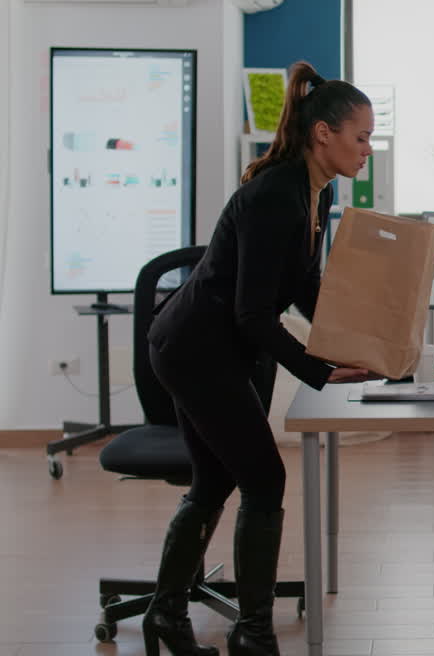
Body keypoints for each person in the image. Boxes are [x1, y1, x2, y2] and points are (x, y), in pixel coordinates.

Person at [142, 61, 374, 656]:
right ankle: (253, 633)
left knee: (217, 478)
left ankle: (166, 614)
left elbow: (303, 287)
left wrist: (358, 341)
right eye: (361, 137)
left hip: (213, 345)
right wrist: (319, 370)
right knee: (264, 478)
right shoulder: (275, 196)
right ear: (323, 133)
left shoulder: (314, 191)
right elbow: (253, 314)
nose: (367, 149)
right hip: (195, 348)